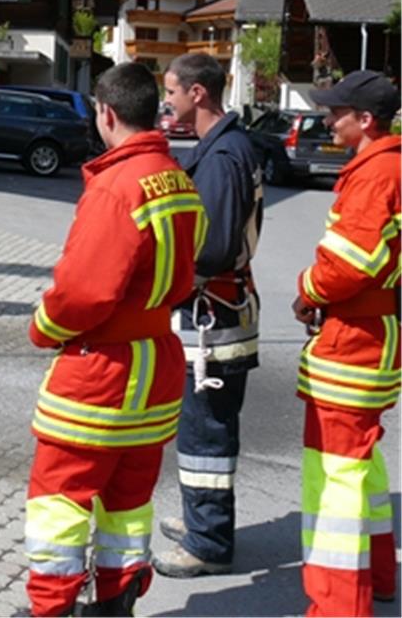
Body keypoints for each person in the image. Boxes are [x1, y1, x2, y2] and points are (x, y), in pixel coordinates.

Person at [23, 62, 206, 617]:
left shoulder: (116, 186)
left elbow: (82, 293)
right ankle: (116, 605)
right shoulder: (177, 178)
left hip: (100, 372)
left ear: (105, 113)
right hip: (156, 367)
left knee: (60, 502)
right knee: (127, 503)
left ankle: (50, 611)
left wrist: (42, 327)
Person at [290, 70, 399, 616]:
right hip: (377, 338)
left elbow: (348, 267)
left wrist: (306, 290)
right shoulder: (391, 167)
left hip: (352, 341)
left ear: (367, 120)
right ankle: (379, 577)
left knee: (335, 480)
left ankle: (337, 606)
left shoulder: (376, 174)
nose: (327, 119)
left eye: (337, 112)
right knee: (363, 466)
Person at [153, 53, 264, 579]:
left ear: (198, 94)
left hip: (211, 324)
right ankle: (205, 523)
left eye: (172, 91)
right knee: (204, 432)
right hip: (217, 318)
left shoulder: (221, 158)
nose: (166, 100)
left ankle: (209, 543)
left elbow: (214, 248)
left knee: (206, 436)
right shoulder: (226, 146)